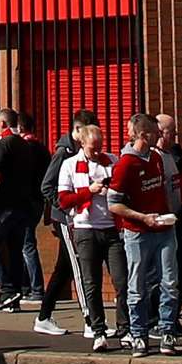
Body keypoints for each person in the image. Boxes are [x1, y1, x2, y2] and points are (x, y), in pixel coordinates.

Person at [110, 112, 182, 357]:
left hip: (164, 227)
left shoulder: (156, 157)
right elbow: (113, 204)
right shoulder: (126, 164)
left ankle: (167, 332)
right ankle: (139, 334)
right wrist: (142, 217)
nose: (160, 136)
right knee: (137, 285)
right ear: (143, 135)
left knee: (169, 283)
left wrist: (169, 213)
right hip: (137, 232)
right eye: (155, 132)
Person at [56, 114, 122, 345]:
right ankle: (98, 331)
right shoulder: (70, 165)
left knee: (121, 281)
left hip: (112, 228)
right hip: (85, 229)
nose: (97, 152)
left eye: (100, 147)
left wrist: (110, 190)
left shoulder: (112, 160)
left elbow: (124, 189)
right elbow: (64, 200)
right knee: (91, 283)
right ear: (82, 143)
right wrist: (90, 191)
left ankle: (125, 330)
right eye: (93, 148)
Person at [0, 109, 51, 322]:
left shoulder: (2, 145)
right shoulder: (25, 146)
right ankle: (13, 298)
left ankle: (6, 289)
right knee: (15, 249)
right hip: (24, 205)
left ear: (3, 124)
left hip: (5, 205)